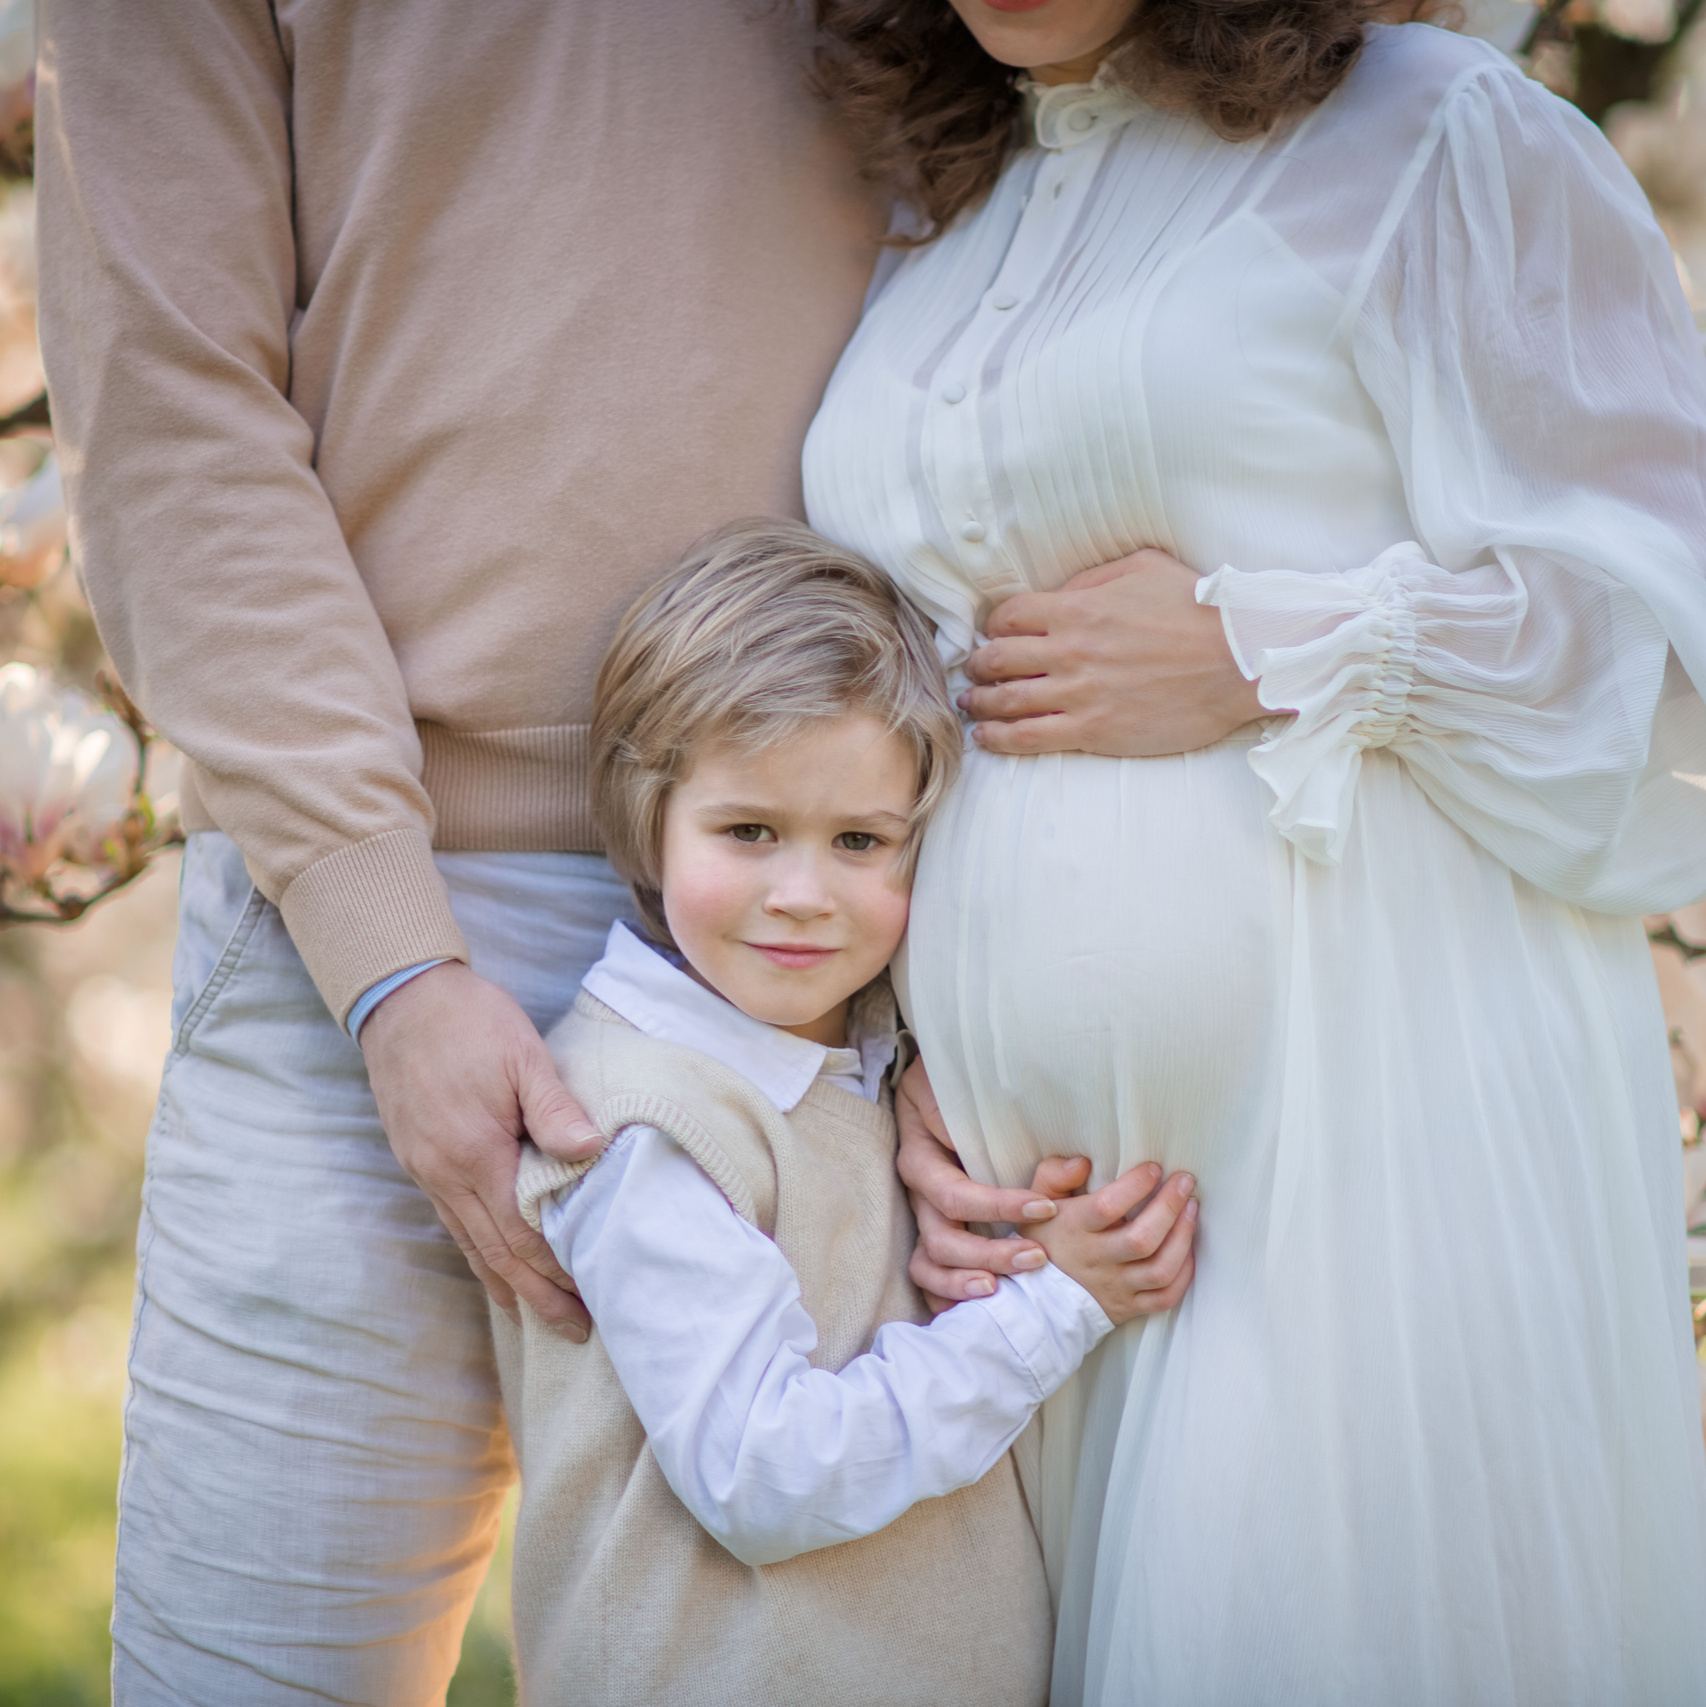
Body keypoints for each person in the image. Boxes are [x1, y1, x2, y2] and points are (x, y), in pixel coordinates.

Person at [806, 1, 1706, 1702]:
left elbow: (1657, 638)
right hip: (1031, 1244)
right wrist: (901, 1049)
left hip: (1367, 1130)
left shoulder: (1433, 135)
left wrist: (1268, 647)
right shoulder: (946, 198)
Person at [492, 521, 1197, 1706]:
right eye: (748, 832)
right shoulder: (641, 1120)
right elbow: (762, 1472)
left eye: (860, 841)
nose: (802, 895)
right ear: (645, 813)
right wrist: (1056, 1308)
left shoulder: (849, 1054)